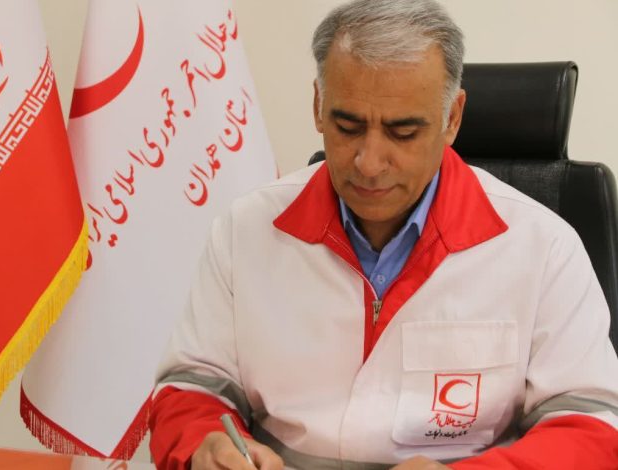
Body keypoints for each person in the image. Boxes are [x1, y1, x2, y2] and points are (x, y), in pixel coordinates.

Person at [148, 0, 618, 468]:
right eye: (348, 126)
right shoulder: (246, 230)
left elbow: (592, 426)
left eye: (403, 132)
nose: (369, 163)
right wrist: (205, 444)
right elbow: (192, 388)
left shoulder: (542, 247)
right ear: (318, 106)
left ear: (452, 118)